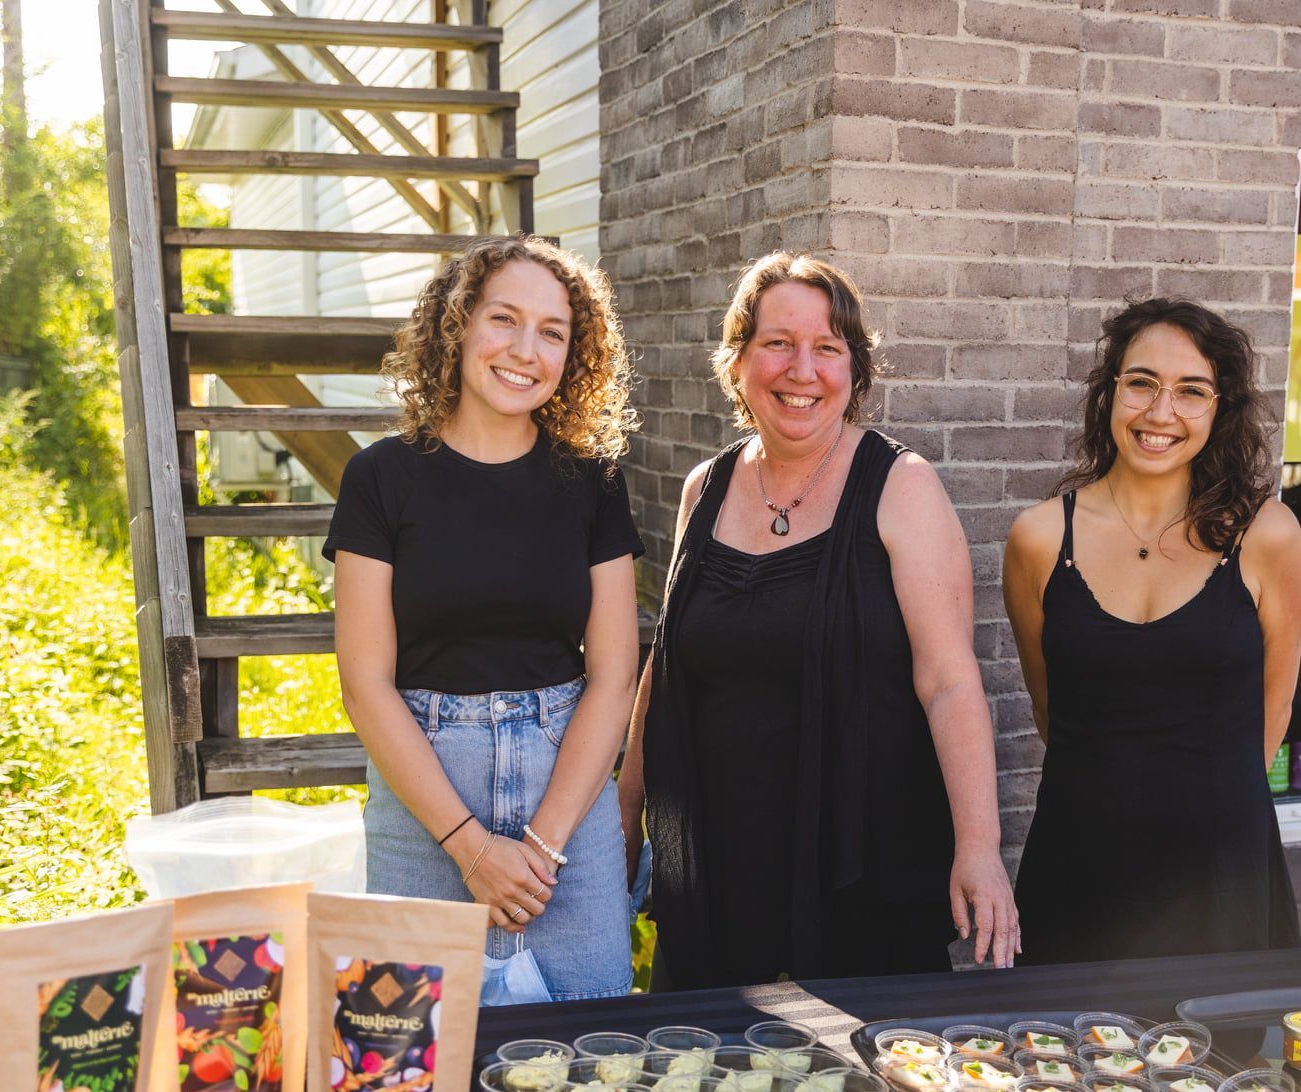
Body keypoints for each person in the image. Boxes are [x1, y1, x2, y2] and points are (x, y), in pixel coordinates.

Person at [618, 252, 1019, 989]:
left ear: (853, 370)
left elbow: (948, 681)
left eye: (827, 348)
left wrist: (979, 848)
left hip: (854, 866)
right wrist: (624, 812)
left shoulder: (901, 487)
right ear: (737, 362)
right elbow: (668, 664)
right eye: (777, 343)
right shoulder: (703, 489)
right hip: (717, 864)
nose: (801, 369)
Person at [327, 236, 646, 1002]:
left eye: (552, 332)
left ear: (574, 354)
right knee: (409, 1088)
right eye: (503, 319)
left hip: (566, 807)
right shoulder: (380, 478)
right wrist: (469, 848)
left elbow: (613, 675)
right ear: (459, 325)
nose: (524, 350)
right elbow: (365, 683)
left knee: (589, 1070)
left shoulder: (593, 484)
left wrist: (541, 845)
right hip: (424, 803)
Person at [1003, 297, 1301, 962]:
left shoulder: (1267, 536)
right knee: (1057, 1058)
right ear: (1108, 392)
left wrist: (1202, 813)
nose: (1159, 413)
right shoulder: (1037, 538)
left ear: (1219, 408)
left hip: (1218, 883)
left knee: (1222, 1061)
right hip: (1078, 872)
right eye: (1140, 383)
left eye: (1190, 391)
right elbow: (1048, 706)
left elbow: (1275, 706)